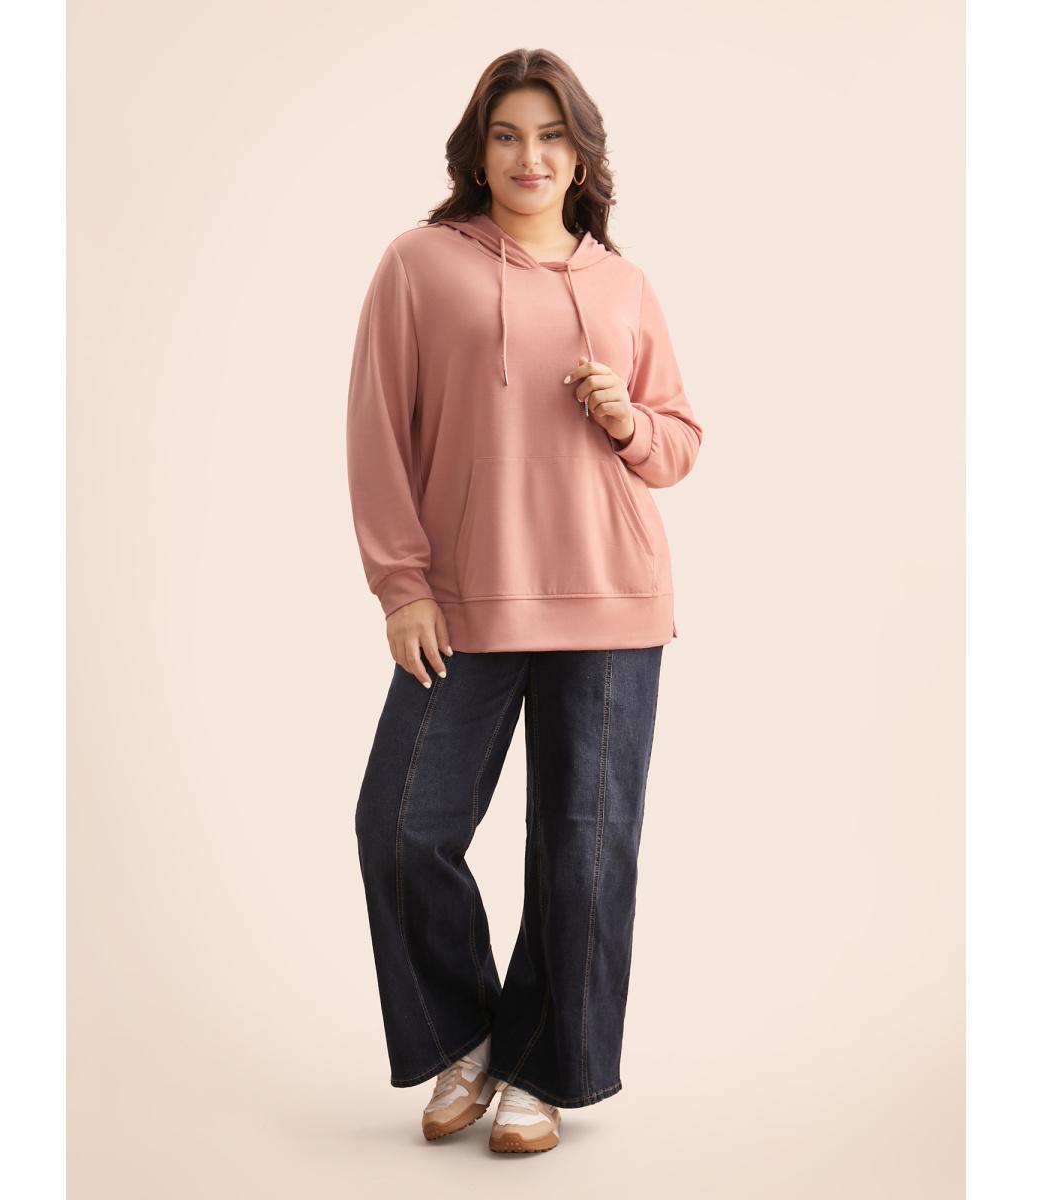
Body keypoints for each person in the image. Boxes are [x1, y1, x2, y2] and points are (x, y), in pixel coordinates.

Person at [346, 48, 703, 1154]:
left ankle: (542, 1070)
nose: (529, 156)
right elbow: (377, 433)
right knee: (401, 827)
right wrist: (402, 586)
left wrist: (627, 421)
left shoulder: (622, 284)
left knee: (584, 853)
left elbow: (679, 443)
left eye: (551, 136)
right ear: (479, 150)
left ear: (581, 156)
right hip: (465, 603)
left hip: (613, 598)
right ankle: (465, 1038)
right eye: (508, 134)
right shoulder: (421, 264)